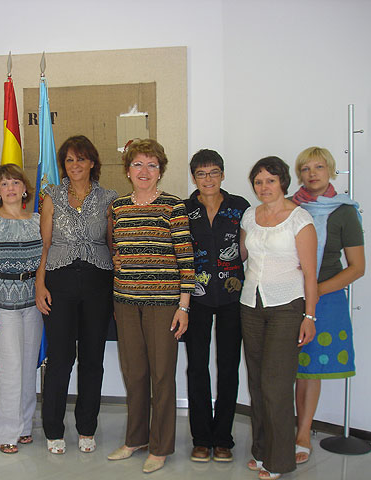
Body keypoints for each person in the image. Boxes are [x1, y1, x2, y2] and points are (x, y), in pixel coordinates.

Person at [108, 139, 195, 474]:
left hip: (163, 304)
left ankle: (160, 446)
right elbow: (120, 257)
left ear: (160, 171)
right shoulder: (118, 207)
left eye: (152, 165)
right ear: (128, 170)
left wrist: (183, 307)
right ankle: (135, 439)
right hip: (127, 303)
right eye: (138, 165)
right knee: (134, 374)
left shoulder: (173, 207)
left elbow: (186, 260)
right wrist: (118, 299)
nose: (144, 172)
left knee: (161, 376)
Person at [35, 135, 117, 455]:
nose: (75, 165)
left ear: (92, 162)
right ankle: (53, 429)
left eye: (81, 159)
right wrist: (40, 284)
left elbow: (112, 245)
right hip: (60, 282)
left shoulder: (109, 198)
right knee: (60, 359)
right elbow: (44, 245)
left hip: (98, 283)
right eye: (69, 160)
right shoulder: (51, 196)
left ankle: (87, 427)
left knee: (93, 359)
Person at [240, 157, 317, 480]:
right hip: (250, 304)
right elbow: (244, 255)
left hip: (287, 305)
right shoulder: (249, 216)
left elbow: (310, 275)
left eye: (270, 180)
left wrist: (309, 315)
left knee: (277, 384)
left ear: (283, 182)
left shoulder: (300, 220)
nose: (264, 187)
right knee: (257, 383)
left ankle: (279, 459)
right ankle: (261, 451)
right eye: (258, 182)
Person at [291, 147, 365, 464]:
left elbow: (357, 267)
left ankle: (303, 432)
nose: (312, 173)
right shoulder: (292, 208)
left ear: (330, 170)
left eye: (319, 167)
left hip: (326, 297)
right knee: (292, 367)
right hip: (291, 296)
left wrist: (315, 290)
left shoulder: (345, 212)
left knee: (311, 369)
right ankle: (289, 430)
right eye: (306, 168)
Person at [184, 149, 250, 463]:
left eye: (213, 172)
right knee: (196, 367)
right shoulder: (183, 210)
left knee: (228, 367)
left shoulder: (240, 207)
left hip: (232, 297)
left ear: (222, 174)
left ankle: (223, 438)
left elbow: (250, 249)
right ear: (194, 177)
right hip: (195, 299)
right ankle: (201, 438)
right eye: (201, 173)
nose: (208, 179)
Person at [0, 164, 43, 455]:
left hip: (33, 304)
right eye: (4, 184)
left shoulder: (37, 219)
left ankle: (25, 426)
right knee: (11, 368)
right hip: (2, 305)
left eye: (15, 182)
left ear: (24, 187)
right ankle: (6, 432)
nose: (10, 188)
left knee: (28, 367)